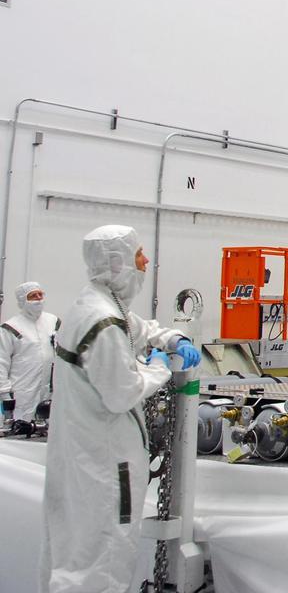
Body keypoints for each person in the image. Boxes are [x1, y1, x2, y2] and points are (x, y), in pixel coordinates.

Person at [40, 225, 202, 593]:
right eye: (139, 255)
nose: (146, 262)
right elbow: (122, 392)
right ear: (118, 263)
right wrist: (161, 366)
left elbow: (136, 329)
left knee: (76, 554)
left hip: (86, 453)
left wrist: (171, 337)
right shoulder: (103, 321)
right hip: (106, 461)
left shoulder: (96, 304)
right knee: (104, 558)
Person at [0, 282, 58, 430]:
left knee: (44, 429)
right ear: (22, 300)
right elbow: (1, 362)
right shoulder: (11, 328)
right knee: (18, 431)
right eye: (32, 296)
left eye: (40, 294)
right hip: (21, 393)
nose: (38, 299)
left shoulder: (52, 321)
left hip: (47, 393)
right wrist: (5, 394)